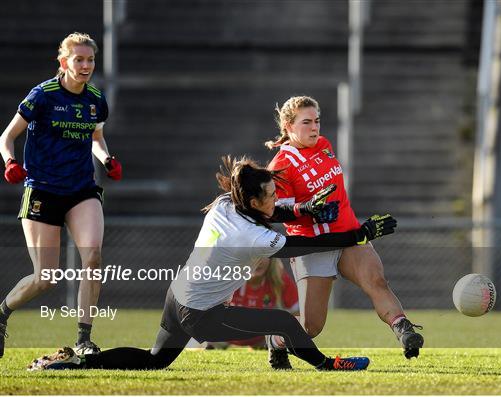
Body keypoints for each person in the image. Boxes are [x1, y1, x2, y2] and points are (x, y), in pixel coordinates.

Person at [27, 155, 396, 372]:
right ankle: (328, 365)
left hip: (179, 295)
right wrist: (358, 235)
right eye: (269, 195)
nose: (276, 199)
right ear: (252, 201)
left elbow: (276, 212)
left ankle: (77, 364)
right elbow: (307, 242)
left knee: (155, 361)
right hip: (199, 312)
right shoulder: (251, 237)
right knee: (283, 319)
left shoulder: (225, 203)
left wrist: (302, 208)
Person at [265, 95, 423, 363]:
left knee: (376, 281)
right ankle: (277, 339)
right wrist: (308, 209)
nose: (315, 127)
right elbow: (277, 212)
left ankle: (403, 329)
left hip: (349, 236)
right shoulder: (281, 166)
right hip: (313, 247)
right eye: (306, 122)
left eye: (317, 120)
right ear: (289, 126)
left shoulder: (324, 145)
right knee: (311, 327)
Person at [0, 32, 123, 358]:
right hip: (42, 189)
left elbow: (97, 138)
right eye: (79, 59)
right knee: (46, 278)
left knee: (93, 258)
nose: (86, 66)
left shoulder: (95, 99)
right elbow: (6, 136)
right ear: (64, 62)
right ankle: (2, 313)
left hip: (81, 189)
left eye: (90, 60)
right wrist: (10, 162)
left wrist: (107, 159)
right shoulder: (43, 95)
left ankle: (84, 338)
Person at [206, 257, 299, 349]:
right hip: (224, 337)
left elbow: (297, 312)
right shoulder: (228, 276)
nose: (259, 261)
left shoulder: (279, 278)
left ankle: (274, 350)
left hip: (261, 339)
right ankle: (210, 346)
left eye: (264, 254)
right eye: (255, 254)